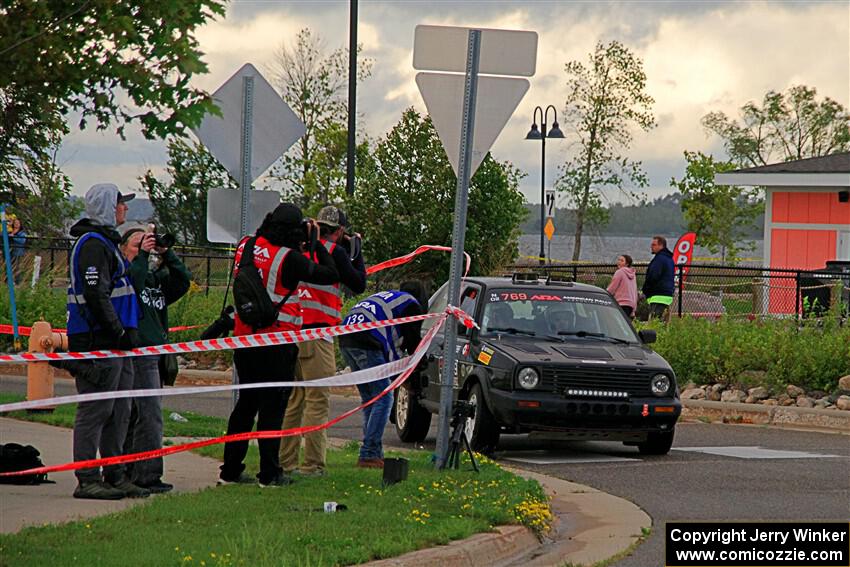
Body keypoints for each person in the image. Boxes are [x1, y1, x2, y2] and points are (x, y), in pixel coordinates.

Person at [219, 203, 339, 487]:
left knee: (245, 406)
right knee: (273, 409)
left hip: (244, 339)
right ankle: (270, 473)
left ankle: (231, 470)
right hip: (276, 341)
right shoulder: (288, 258)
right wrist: (315, 243)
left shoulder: (246, 246)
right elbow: (330, 274)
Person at [66, 184, 146, 500]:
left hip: (117, 342)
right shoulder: (92, 245)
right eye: (119, 204)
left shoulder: (108, 243)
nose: (124, 209)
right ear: (105, 207)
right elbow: (96, 295)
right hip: (97, 341)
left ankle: (115, 474)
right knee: (95, 411)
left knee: (120, 411)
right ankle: (87, 478)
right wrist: (118, 332)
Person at [279, 206, 367, 477]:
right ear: (340, 231)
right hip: (317, 335)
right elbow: (358, 283)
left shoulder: (298, 249)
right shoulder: (335, 253)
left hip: (293, 332)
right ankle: (313, 464)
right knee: (317, 401)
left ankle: (286, 461)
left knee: (295, 400)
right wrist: (357, 251)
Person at [120, 227, 192, 493]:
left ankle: (133, 471)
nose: (145, 248)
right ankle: (146, 474)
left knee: (139, 415)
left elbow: (184, 281)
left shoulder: (154, 279)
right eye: (138, 245)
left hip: (156, 354)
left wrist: (166, 253)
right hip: (139, 353)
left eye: (147, 243)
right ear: (124, 249)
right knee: (147, 416)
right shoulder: (125, 276)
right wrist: (142, 256)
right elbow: (133, 283)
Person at [338, 285, 424, 468]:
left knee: (371, 399)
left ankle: (373, 453)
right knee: (384, 398)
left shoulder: (392, 299)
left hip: (346, 337)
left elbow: (392, 345)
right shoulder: (412, 306)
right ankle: (369, 453)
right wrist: (406, 376)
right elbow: (409, 344)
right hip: (367, 340)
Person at [641, 236, 675, 320]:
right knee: (663, 323)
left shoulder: (659, 259)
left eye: (654, 244)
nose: (651, 247)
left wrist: (645, 289)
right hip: (667, 296)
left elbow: (653, 276)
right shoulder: (669, 259)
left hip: (658, 295)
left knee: (654, 323)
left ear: (661, 246)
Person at [9, 217, 26, 285]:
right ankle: (9, 280)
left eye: (17, 223)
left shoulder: (22, 233)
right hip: (10, 252)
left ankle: (18, 281)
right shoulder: (10, 231)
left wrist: (13, 237)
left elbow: (22, 241)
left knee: (17, 267)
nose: (16, 224)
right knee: (10, 266)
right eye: (15, 223)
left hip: (18, 252)